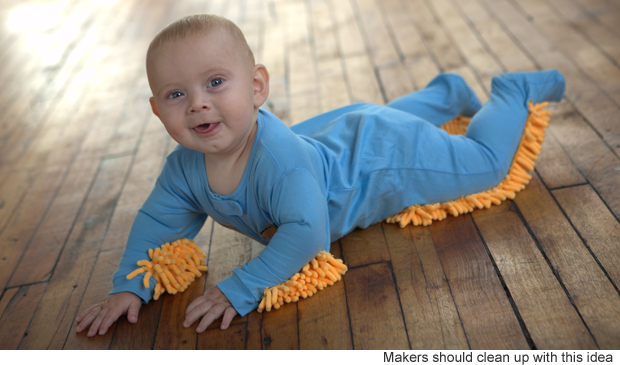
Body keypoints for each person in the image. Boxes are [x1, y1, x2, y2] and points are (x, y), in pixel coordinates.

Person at [75, 14, 566, 337]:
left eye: (216, 82)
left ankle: (512, 93)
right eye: (176, 94)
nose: (198, 102)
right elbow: (158, 223)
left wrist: (241, 285)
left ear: (257, 86)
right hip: (344, 133)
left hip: (379, 159)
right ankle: (446, 93)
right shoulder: (183, 168)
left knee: (483, 164)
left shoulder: (279, 162)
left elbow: (308, 232)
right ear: (157, 110)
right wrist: (127, 285)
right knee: (376, 116)